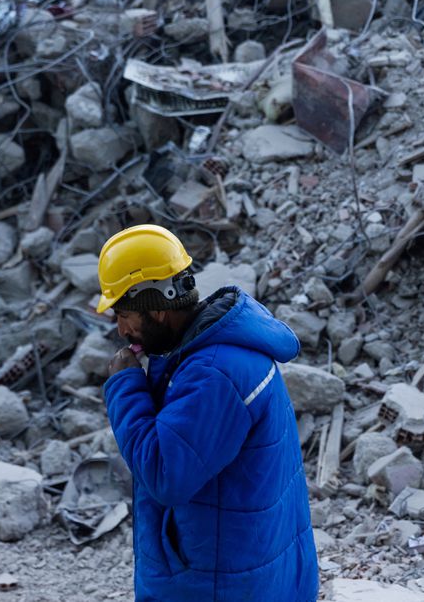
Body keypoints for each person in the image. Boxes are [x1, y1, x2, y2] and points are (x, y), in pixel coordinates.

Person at [96, 224, 318, 601]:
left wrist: (126, 387)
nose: (121, 329)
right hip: (242, 568)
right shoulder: (220, 353)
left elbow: (165, 474)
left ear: (158, 308)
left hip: (218, 583)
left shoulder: (213, 374)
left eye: (125, 314)